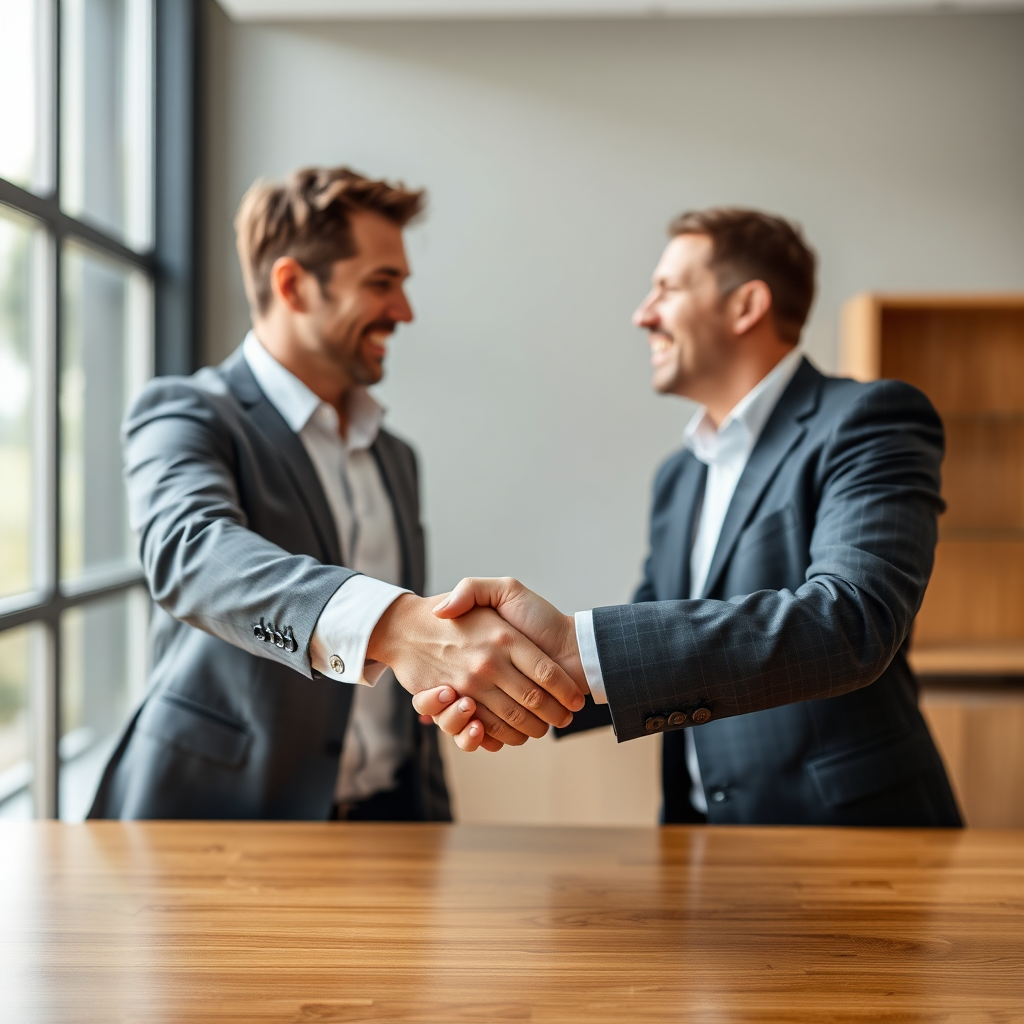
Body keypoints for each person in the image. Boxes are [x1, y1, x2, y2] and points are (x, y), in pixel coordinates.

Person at [416, 207, 962, 827]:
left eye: (667, 290)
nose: (642, 314)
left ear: (745, 305)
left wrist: (572, 649)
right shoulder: (680, 475)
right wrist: (516, 680)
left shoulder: (869, 419)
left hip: (855, 838)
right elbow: (654, 633)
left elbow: (851, 621)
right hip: (702, 839)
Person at [89, 167, 583, 821]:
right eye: (382, 283)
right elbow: (192, 553)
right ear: (292, 284)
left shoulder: (395, 456)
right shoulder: (188, 412)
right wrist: (395, 626)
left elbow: (412, 686)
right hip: (216, 824)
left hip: (389, 821)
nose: (404, 312)